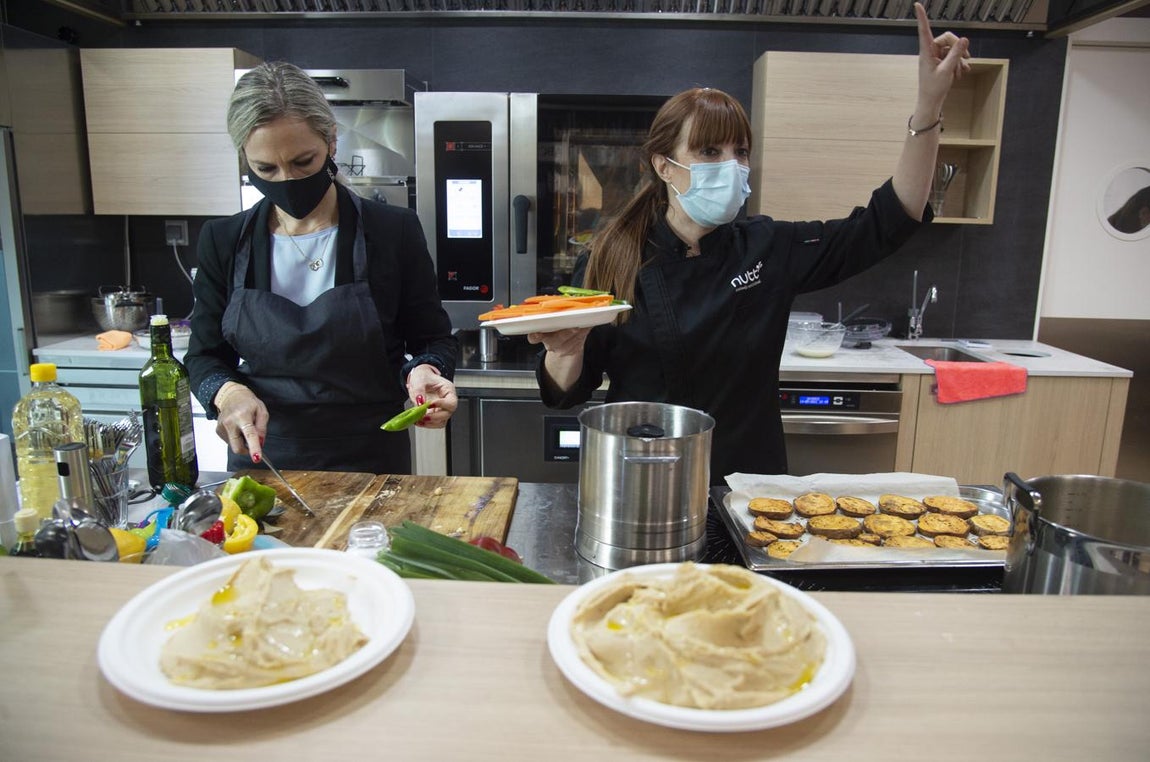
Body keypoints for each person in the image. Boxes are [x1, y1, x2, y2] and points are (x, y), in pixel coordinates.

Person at [529, 4, 968, 484]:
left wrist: (928, 108)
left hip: (749, 489)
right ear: (663, 166)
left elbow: (888, 222)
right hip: (644, 484)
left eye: (740, 152)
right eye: (710, 152)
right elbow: (568, 391)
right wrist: (565, 350)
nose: (732, 166)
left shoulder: (768, 247)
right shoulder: (609, 260)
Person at [186, 61, 458, 474]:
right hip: (265, 460)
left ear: (332, 142)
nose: (286, 180)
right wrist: (227, 395)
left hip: (371, 456)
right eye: (266, 169)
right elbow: (204, 357)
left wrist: (426, 369)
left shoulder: (391, 231)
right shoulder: (223, 241)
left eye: (303, 162)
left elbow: (433, 339)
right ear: (245, 156)